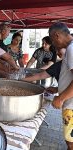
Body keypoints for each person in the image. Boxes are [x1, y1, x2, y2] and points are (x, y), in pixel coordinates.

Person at [49, 22, 73, 150]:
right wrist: (59, 89)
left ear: (57, 35)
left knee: (70, 142)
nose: (53, 44)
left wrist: (61, 98)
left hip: (71, 106)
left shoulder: (71, 49)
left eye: (52, 40)